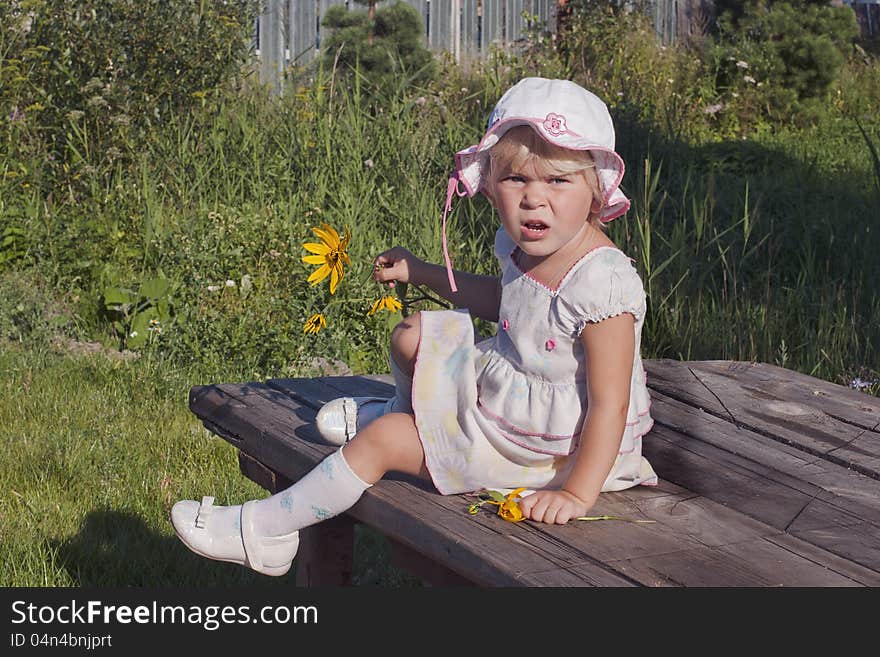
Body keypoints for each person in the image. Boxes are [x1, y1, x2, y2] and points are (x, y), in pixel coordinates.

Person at [170, 77, 658, 576]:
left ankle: (265, 532)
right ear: (490, 188)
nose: (535, 199)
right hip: (511, 408)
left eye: (557, 181)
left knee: (383, 442)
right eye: (517, 180)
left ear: (596, 191)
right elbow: (505, 300)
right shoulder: (527, 251)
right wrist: (421, 271)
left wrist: (576, 492)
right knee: (414, 332)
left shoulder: (603, 284)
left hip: (553, 453)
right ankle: (403, 408)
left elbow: (610, 401)